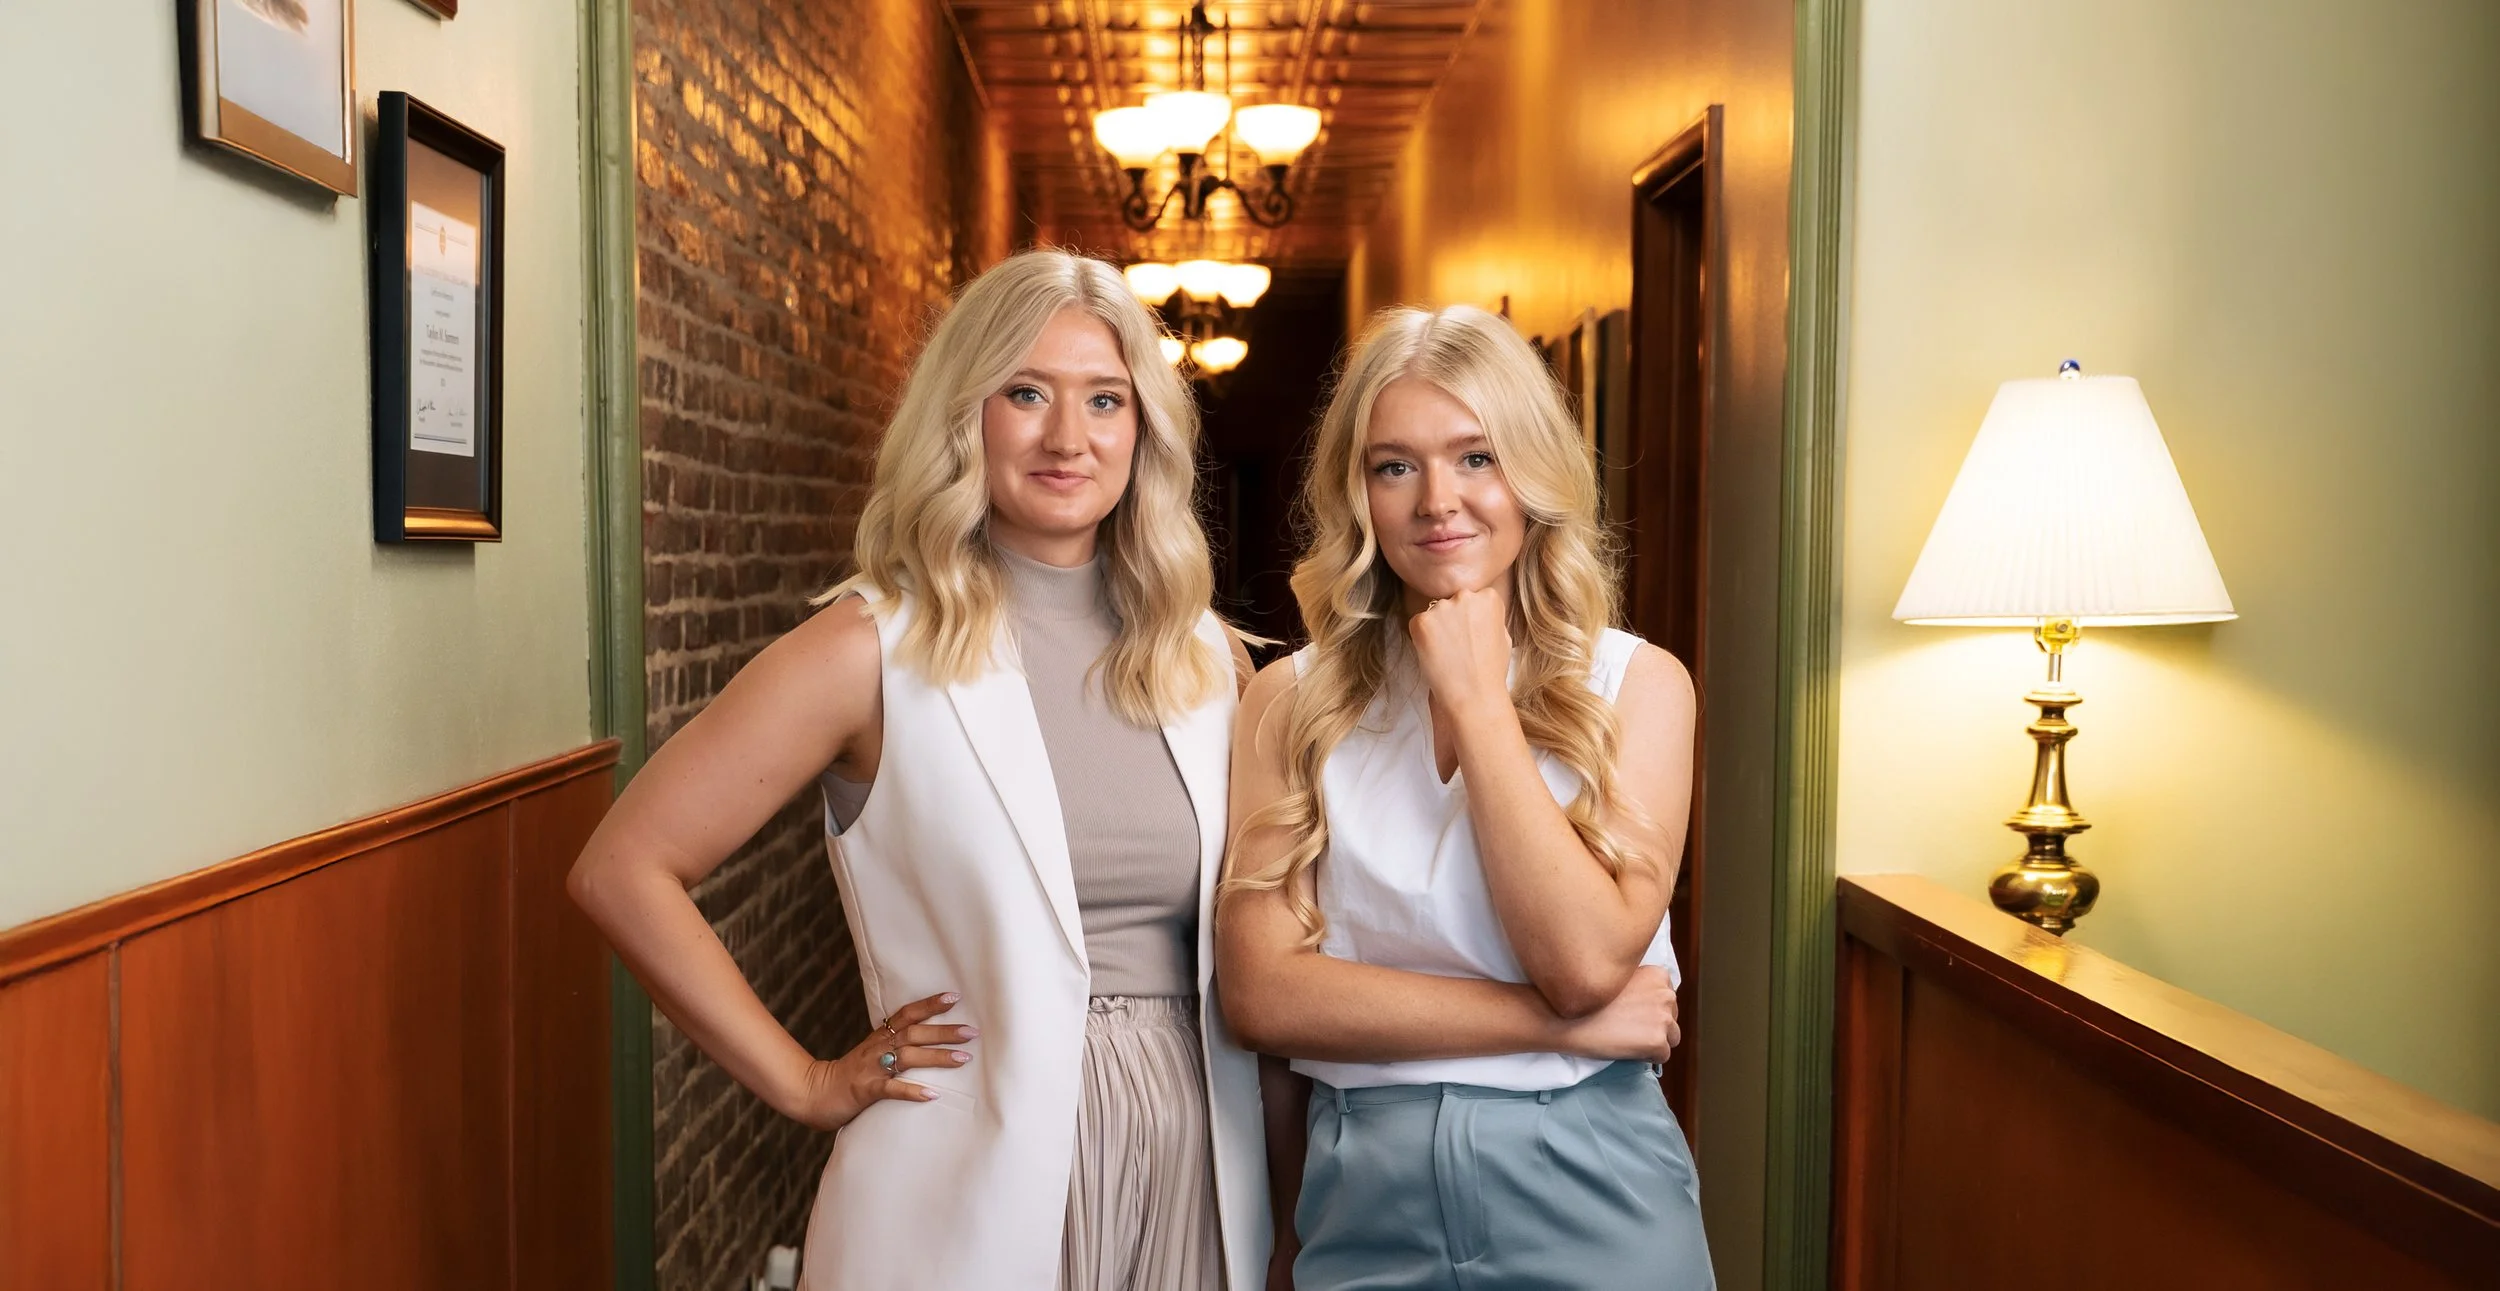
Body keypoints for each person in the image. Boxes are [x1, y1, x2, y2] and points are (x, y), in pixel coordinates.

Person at [568, 249, 1274, 1290]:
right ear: (964, 415)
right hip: (965, 1167)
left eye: (1105, 400)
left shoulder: (1209, 659)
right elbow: (621, 868)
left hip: (1198, 1153)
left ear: (1144, 429)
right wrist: (804, 1081)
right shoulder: (868, 649)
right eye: (1024, 393)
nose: (1067, 437)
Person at [1218, 303, 1713, 1289]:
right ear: (1358, 493)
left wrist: (1479, 702)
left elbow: (1578, 958)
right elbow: (1263, 993)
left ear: (1532, 474)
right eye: (1394, 465)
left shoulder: (1640, 685)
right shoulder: (1291, 700)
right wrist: (1551, 1025)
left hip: (1591, 1179)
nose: (1436, 499)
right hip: (1363, 1188)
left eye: (1475, 457)